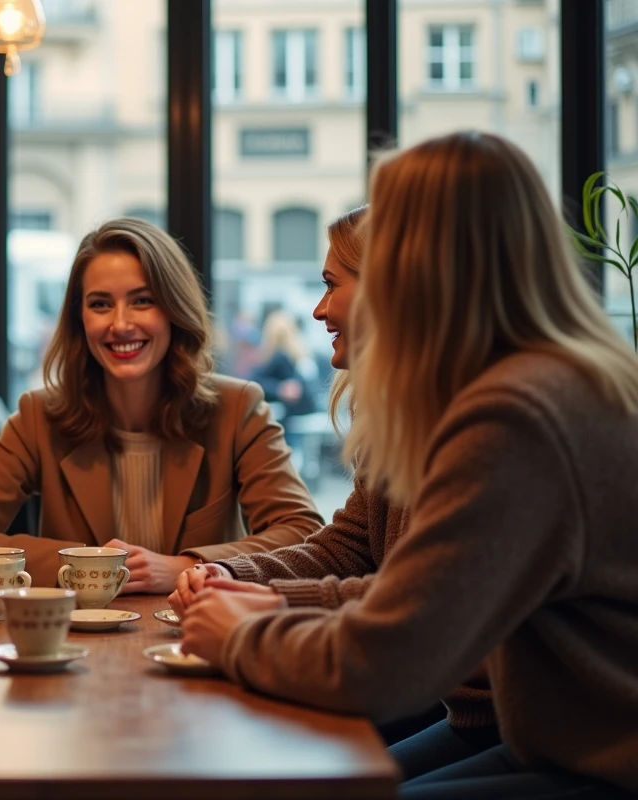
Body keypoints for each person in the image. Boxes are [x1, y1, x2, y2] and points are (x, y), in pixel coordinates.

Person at [178, 131, 638, 798]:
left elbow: (388, 663)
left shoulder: (519, 415)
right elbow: (401, 586)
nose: (319, 306)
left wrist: (244, 634)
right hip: (551, 741)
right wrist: (262, 597)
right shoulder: (546, 382)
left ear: (419, 265)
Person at [170, 205, 498, 774]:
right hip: (461, 707)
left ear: (392, 291)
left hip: (521, 728)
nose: (318, 310)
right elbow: (346, 548)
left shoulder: (482, 427)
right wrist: (234, 577)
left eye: (330, 285)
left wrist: (266, 607)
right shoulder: (402, 417)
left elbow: (420, 606)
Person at [0, 217, 324, 594]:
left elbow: (305, 536)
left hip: (197, 643)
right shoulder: (40, 417)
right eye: (100, 304)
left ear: (174, 311)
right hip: (75, 655)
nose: (120, 324)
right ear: (79, 319)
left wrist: (187, 566)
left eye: (142, 300)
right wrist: (85, 565)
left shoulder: (237, 409)